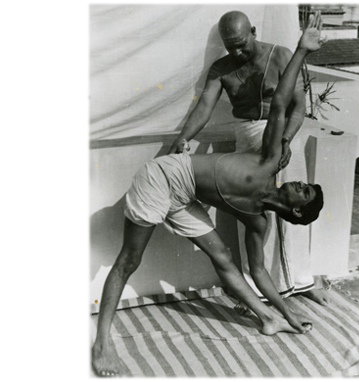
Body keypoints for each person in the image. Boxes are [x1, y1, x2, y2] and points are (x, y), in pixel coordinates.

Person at [92, 13, 324, 377]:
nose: (299, 184)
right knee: (128, 260)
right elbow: (278, 104)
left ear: (295, 213)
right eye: (304, 183)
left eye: (304, 192)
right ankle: (103, 343)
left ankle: (268, 320)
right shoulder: (270, 161)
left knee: (226, 260)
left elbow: (259, 273)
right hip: (161, 179)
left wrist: (287, 311)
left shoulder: (258, 221)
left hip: (183, 197)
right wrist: (301, 50)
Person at [168, 10, 330, 310]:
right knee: (252, 217)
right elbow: (203, 108)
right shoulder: (221, 69)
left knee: (296, 209)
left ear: (253, 31)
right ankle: (257, 291)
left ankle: (303, 281)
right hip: (247, 141)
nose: (238, 51)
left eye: (242, 43)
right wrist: (184, 139)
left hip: (284, 137)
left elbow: (296, 108)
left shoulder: (280, 55)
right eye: (231, 46)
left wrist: (284, 141)